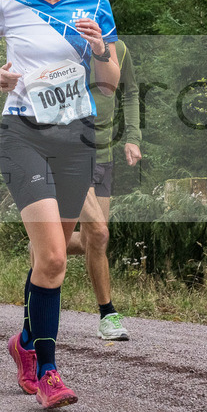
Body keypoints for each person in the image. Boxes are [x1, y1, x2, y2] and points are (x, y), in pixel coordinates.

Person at [0, 0, 120, 409]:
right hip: (23, 135)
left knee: (54, 254)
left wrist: (100, 51)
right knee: (53, 257)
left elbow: (111, 81)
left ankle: (25, 343)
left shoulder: (95, 3)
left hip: (76, 138)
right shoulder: (8, 3)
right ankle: (48, 372)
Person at [68, 36, 142, 340]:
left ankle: (42, 248)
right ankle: (108, 314)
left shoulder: (119, 49)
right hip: (70, 152)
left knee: (90, 241)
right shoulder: (63, 47)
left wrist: (133, 136)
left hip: (103, 155)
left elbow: (131, 92)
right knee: (100, 233)